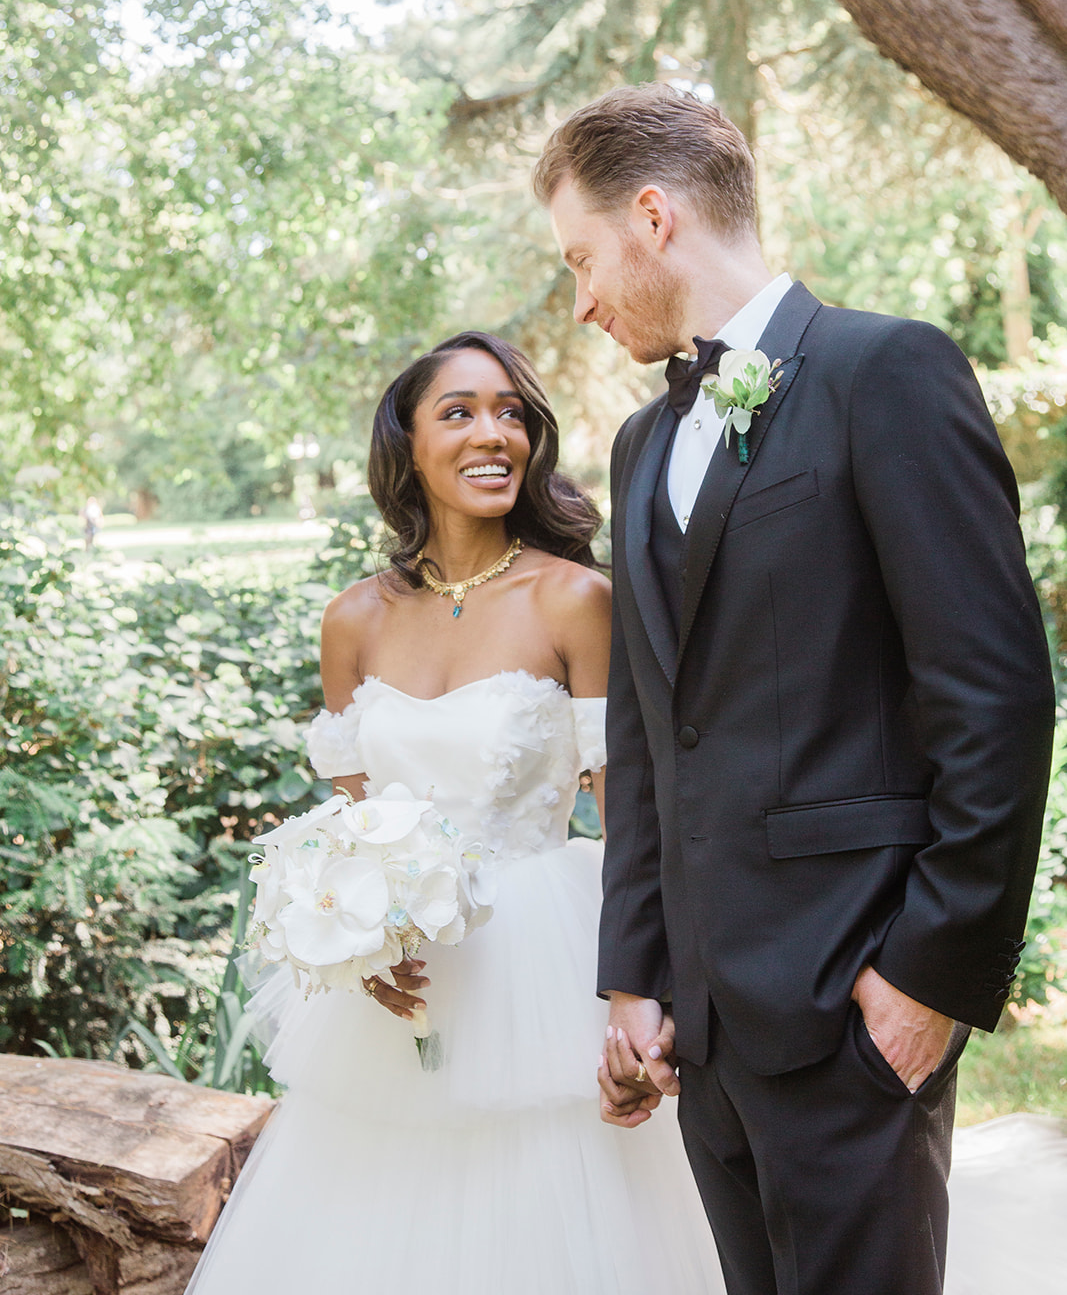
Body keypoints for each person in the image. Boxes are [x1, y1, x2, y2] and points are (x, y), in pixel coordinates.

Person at [536, 82, 1058, 1295]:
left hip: (854, 1001)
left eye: (581, 257)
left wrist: (926, 978)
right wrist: (636, 973)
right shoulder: (638, 443)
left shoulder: (886, 371)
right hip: (707, 1031)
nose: (580, 299)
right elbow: (649, 727)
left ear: (652, 216)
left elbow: (992, 699)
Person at [185, 330, 727, 1295]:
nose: (494, 434)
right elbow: (353, 834)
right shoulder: (353, 619)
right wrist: (362, 947)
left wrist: (646, 987)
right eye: (461, 411)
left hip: (545, 964)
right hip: (406, 989)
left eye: (512, 413)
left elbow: (628, 813)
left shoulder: (574, 601)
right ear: (409, 443)